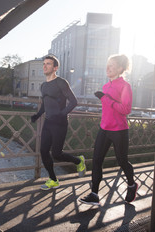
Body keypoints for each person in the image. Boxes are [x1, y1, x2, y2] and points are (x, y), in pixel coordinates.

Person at [78, 54, 138, 205]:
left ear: (120, 68)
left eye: (111, 65)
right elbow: (108, 110)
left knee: (122, 160)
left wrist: (105, 99)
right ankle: (94, 194)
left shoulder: (125, 86)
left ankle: (132, 184)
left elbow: (126, 109)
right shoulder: (106, 86)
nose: (107, 68)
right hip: (104, 128)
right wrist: (105, 99)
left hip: (119, 130)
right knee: (97, 160)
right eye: (107, 64)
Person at [31, 55, 86, 190]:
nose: (44, 66)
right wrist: (38, 115)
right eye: (44, 64)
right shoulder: (43, 86)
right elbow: (45, 103)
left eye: (48, 64)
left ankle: (78, 161)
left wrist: (61, 114)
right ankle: (53, 180)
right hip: (48, 122)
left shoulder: (61, 82)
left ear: (55, 68)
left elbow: (73, 102)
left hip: (60, 123)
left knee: (56, 154)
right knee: (43, 151)